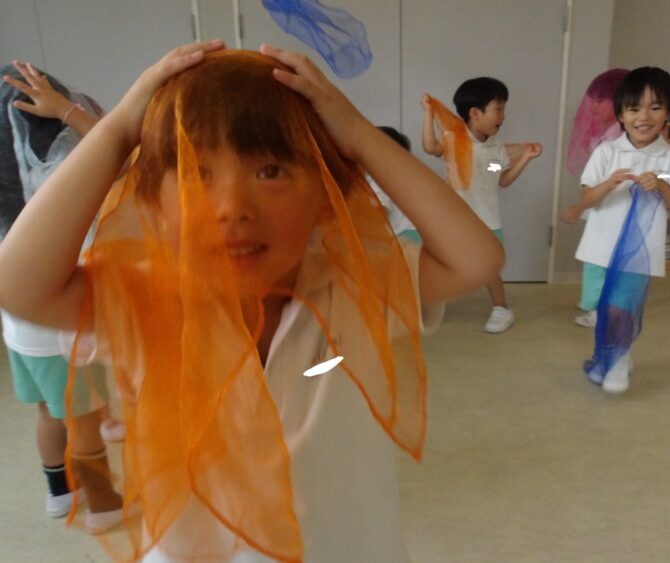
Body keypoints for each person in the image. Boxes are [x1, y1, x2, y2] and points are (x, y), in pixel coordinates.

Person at [0, 41, 504, 562]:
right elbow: (19, 285)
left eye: (271, 171)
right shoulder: (145, 298)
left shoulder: (354, 287)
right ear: (151, 200)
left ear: (326, 195)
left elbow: (476, 258)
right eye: (197, 173)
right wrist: (115, 132)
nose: (232, 208)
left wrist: (356, 135)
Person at [0, 61, 123, 529]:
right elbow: (118, 154)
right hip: (58, 329)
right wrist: (68, 111)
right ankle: (103, 504)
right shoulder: (54, 186)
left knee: (48, 413)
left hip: (18, 329)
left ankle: (59, 492)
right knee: (81, 420)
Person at [572, 66, 670, 393]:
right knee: (602, 308)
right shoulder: (606, 152)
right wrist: (608, 184)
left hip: (640, 253)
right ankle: (607, 354)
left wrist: (661, 185)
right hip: (600, 247)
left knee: (619, 309)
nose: (644, 117)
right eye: (634, 108)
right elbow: (586, 198)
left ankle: (620, 357)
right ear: (621, 114)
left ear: (668, 111)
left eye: (655, 107)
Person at [422, 78, 541, 333]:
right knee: (440, 259)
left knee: (489, 268)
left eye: (503, 109)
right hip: (456, 218)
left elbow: (500, 177)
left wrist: (525, 158)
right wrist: (429, 113)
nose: (503, 116)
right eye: (498, 109)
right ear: (475, 113)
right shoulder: (452, 139)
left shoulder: (495, 149)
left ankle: (501, 308)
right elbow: (430, 147)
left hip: (487, 218)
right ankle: (429, 300)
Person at [560, 68, 629, 328]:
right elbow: (497, 170)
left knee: (602, 261)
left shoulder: (618, 141)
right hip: (601, 206)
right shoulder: (606, 138)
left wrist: (578, 207)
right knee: (596, 260)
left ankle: (603, 309)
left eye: (600, 100)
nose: (593, 107)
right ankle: (598, 305)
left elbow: (497, 169)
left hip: (611, 208)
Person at [367, 126, 420, 241]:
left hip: (404, 235)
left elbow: (381, 209)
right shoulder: (401, 175)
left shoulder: (379, 177)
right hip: (415, 231)